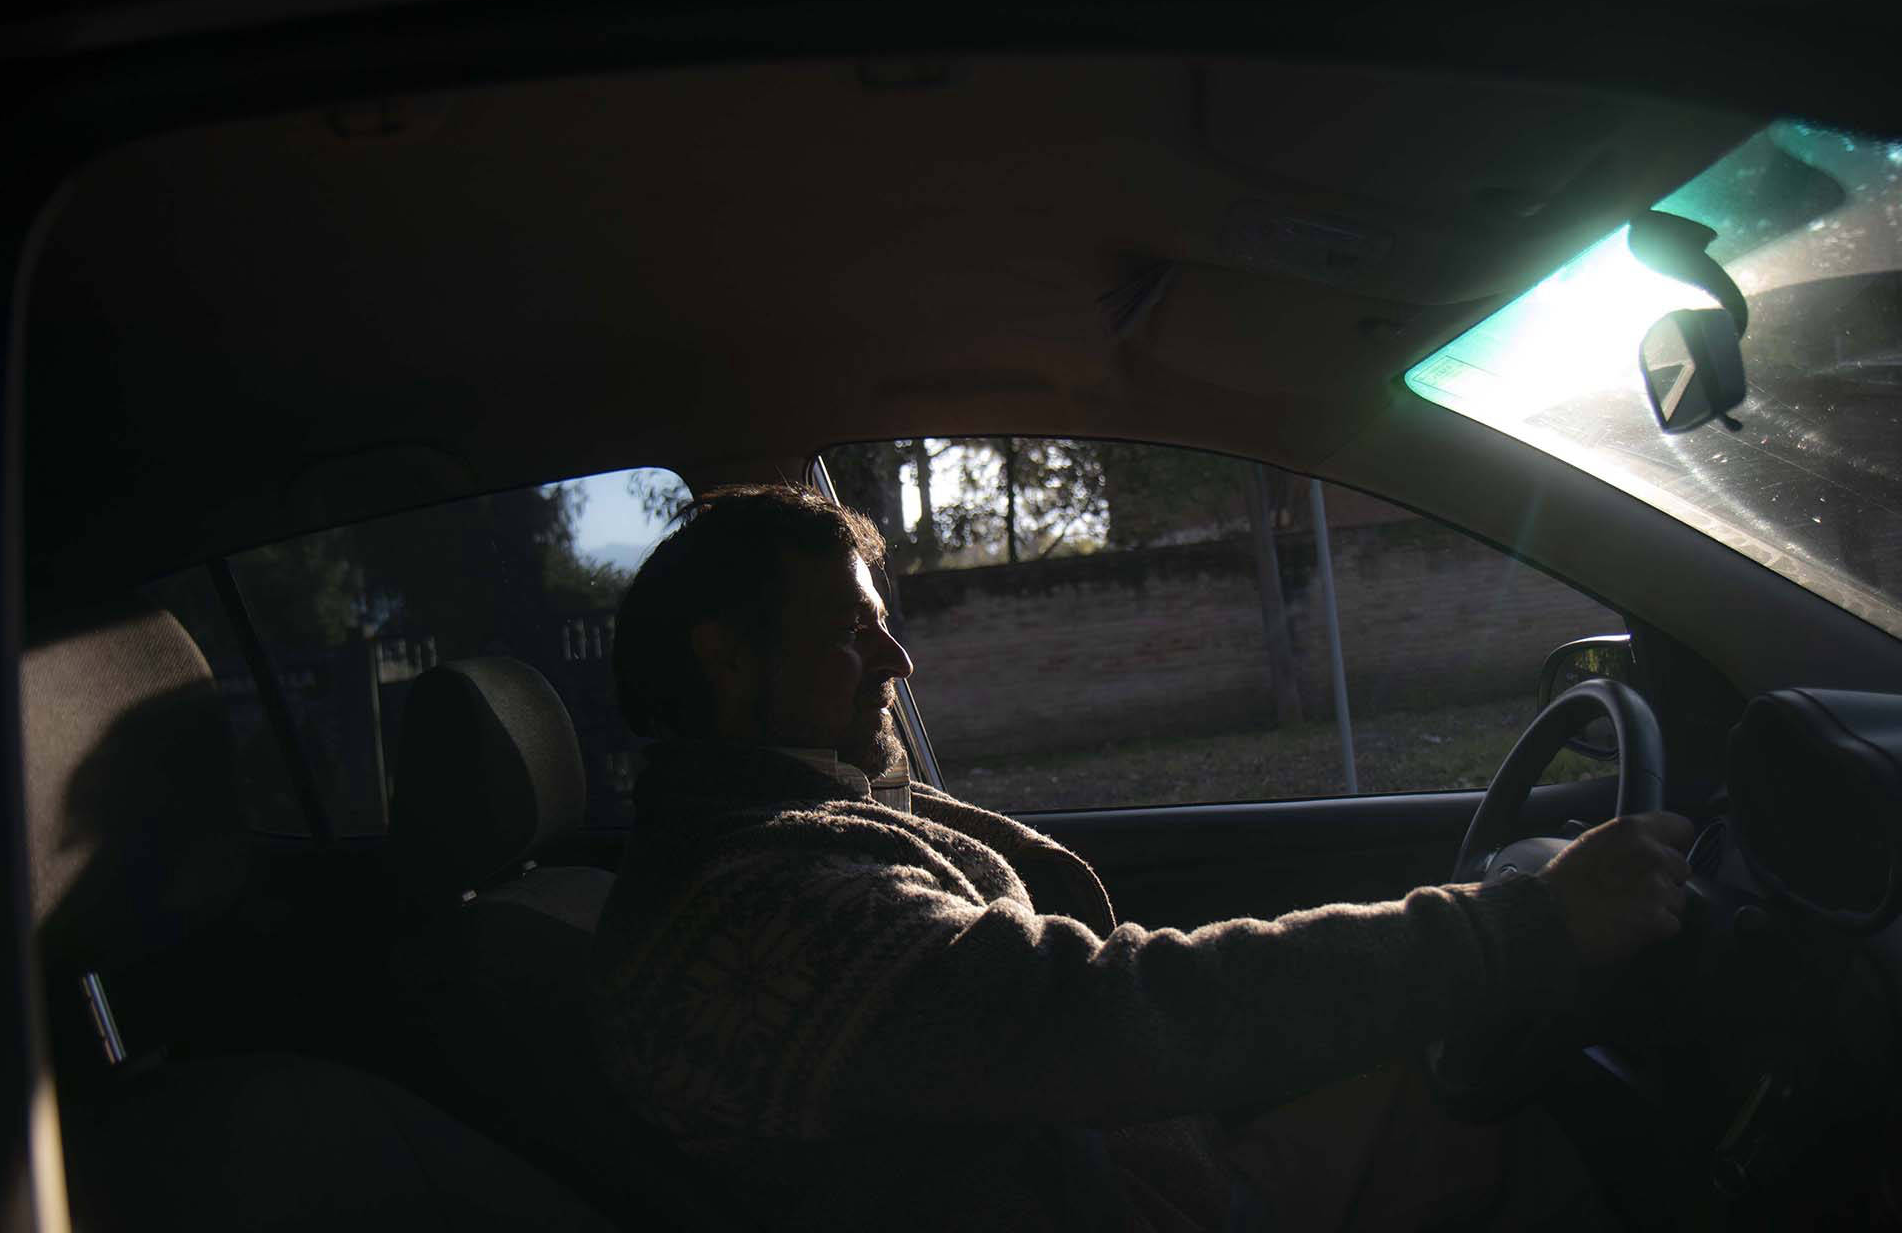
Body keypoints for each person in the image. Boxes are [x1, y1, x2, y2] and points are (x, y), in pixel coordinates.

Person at [590, 483, 1693, 1232]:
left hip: (1150, 1173)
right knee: (1540, 1130)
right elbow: (1104, 1013)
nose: (897, 658)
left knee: (1468, 1074)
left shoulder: (788, 835)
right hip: (1158, 1204)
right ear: (726, 660)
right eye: (850, 632)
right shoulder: (758, 906)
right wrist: (1524, 926)